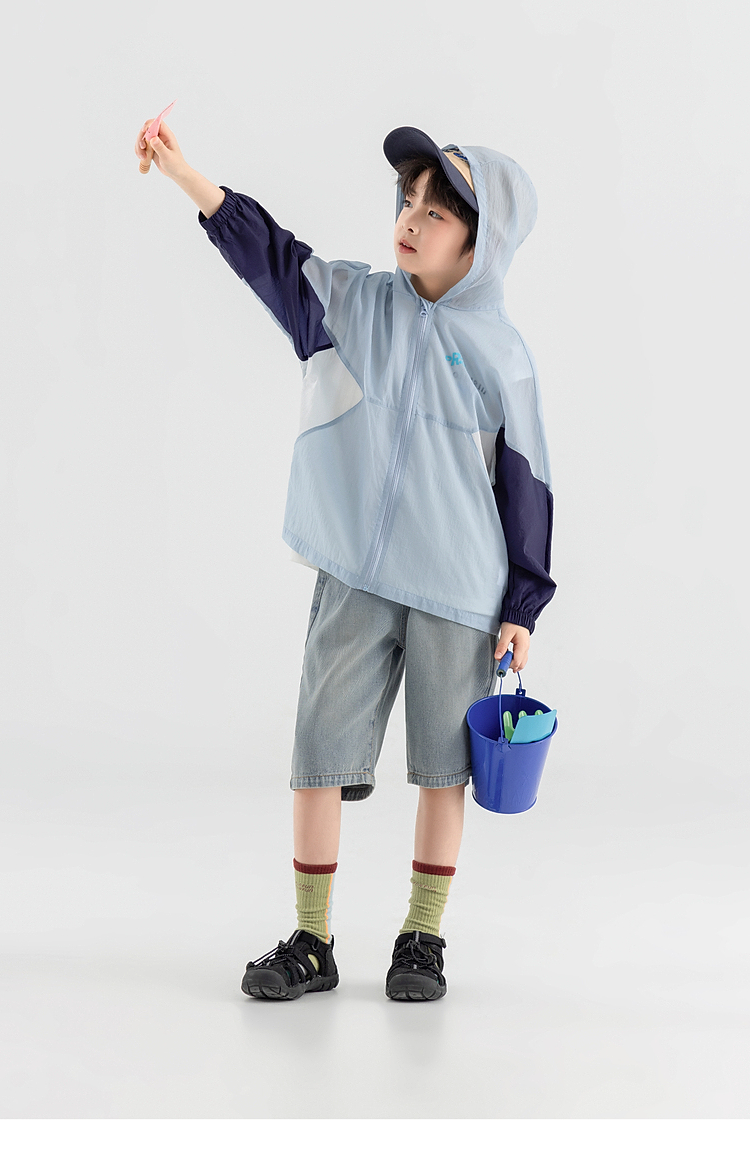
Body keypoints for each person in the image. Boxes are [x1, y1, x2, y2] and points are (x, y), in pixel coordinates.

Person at [134, 119, 557, 1003]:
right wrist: (185, 175)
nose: (412, 218)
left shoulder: (503, 355)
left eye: (438, 211)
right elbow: (270, 256)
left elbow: (526, 485)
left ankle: (422, 937)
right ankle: (312, 939)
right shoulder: (354, 306)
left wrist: (522, 606)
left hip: (458, 593)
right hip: (355, 573)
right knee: (318, 752)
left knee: (443, 769)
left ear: (480, 244)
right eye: (410, 199)